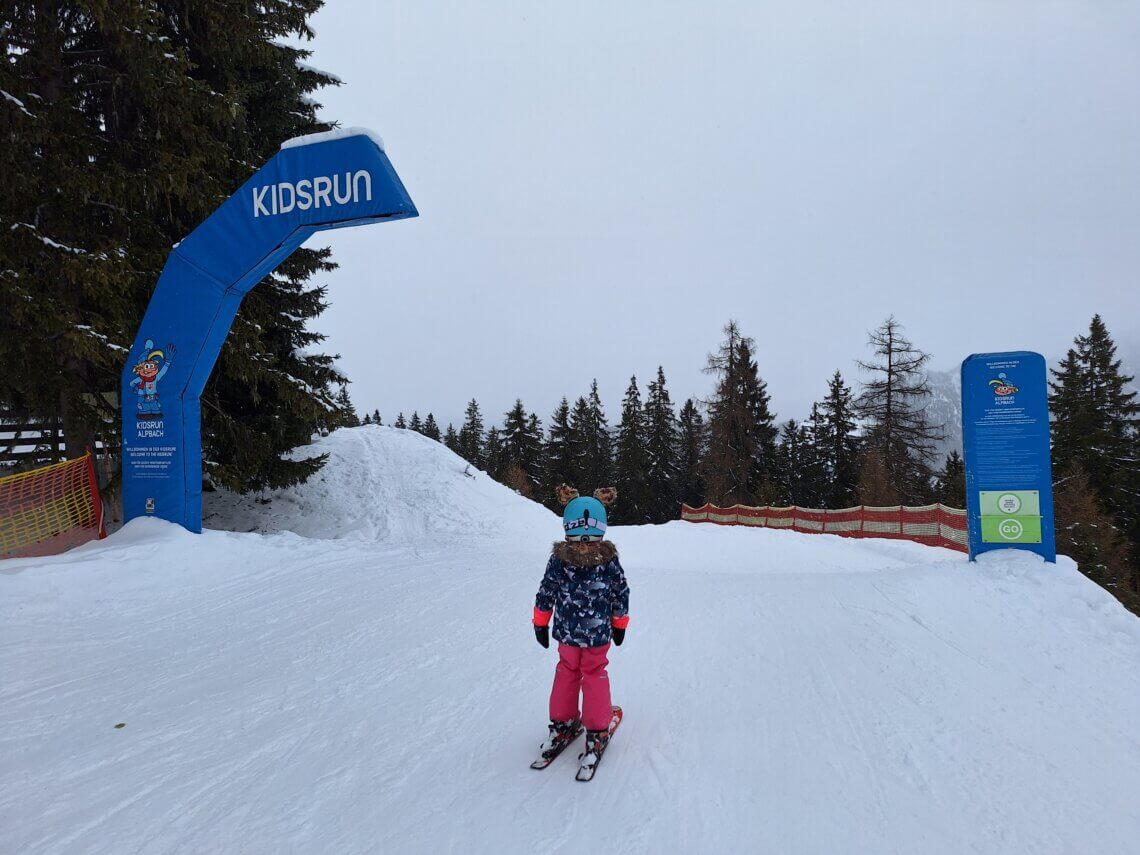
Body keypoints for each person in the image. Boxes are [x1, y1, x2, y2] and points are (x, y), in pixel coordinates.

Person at [533, 484, 630, 762]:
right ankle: (597, 729)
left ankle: (563, 723)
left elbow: (546, 591)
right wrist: (619, 623)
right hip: (597, 634)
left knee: (567, 670)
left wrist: (541, 621)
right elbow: (620, 593)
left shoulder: (560, 559)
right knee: (594, 673)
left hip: (566, 634)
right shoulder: (608, 560)